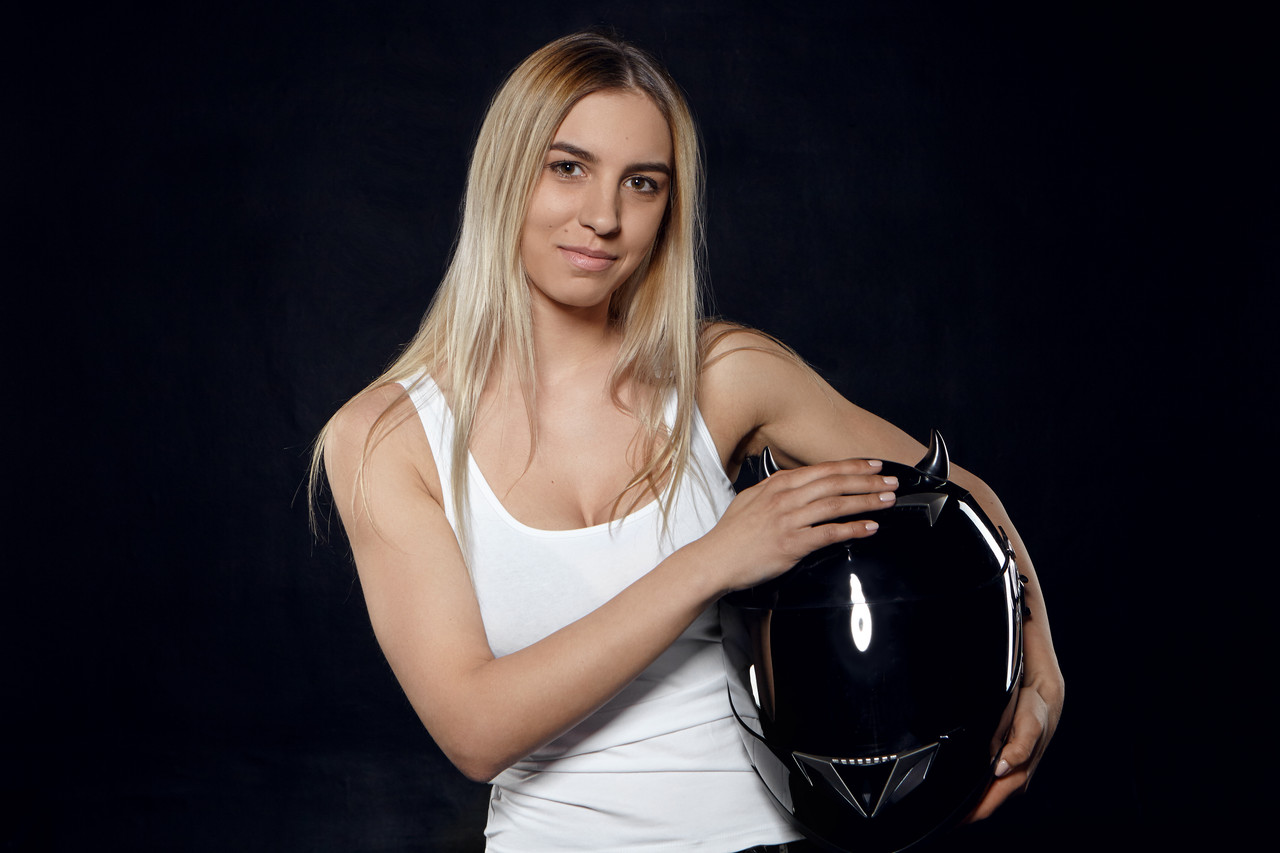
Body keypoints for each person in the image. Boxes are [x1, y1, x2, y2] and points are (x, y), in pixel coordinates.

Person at [312, 31, 1063, 853]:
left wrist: (1041, 667)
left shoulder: (724, 374)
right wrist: (715, 558)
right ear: (505, 173)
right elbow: (474, 730)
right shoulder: (389, 438)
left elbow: (958, 498)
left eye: (642, 183)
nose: (603, 216)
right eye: (568, 166)